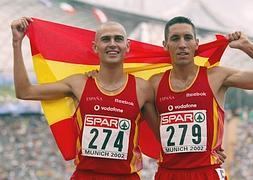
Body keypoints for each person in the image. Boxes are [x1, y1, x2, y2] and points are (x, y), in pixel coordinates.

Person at [11, 17, 160, 179]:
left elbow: (163, 136)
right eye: (105, 39)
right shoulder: (79, 84)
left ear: (127, 46)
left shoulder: (142, 89)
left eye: (118, 39)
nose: (112, 43)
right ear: (95, 47)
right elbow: (24, 92)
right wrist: (16, 43)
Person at [149, 16, 253, 180]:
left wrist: (247, 47)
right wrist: (93, 77)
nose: (182, 44)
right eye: (175, 38)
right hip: (167, 173)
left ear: (196, 43)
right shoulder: (154, 83)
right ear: (165, 45)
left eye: (188, 38)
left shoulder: (216, 76)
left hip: (207, 173)